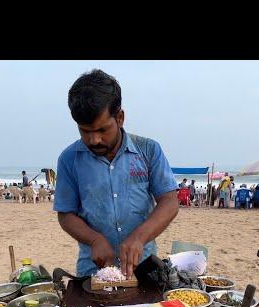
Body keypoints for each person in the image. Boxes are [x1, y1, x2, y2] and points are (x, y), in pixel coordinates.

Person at [54, 69, 178, 277]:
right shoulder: (69, 159)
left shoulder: (148, 150)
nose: (94, 140)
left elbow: (169, 201)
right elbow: (66, 214)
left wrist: (139, 237)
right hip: (94, 270)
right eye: (85, 131)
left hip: (144, 268)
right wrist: (94, 239)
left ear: (120, 117)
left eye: (102, 130)